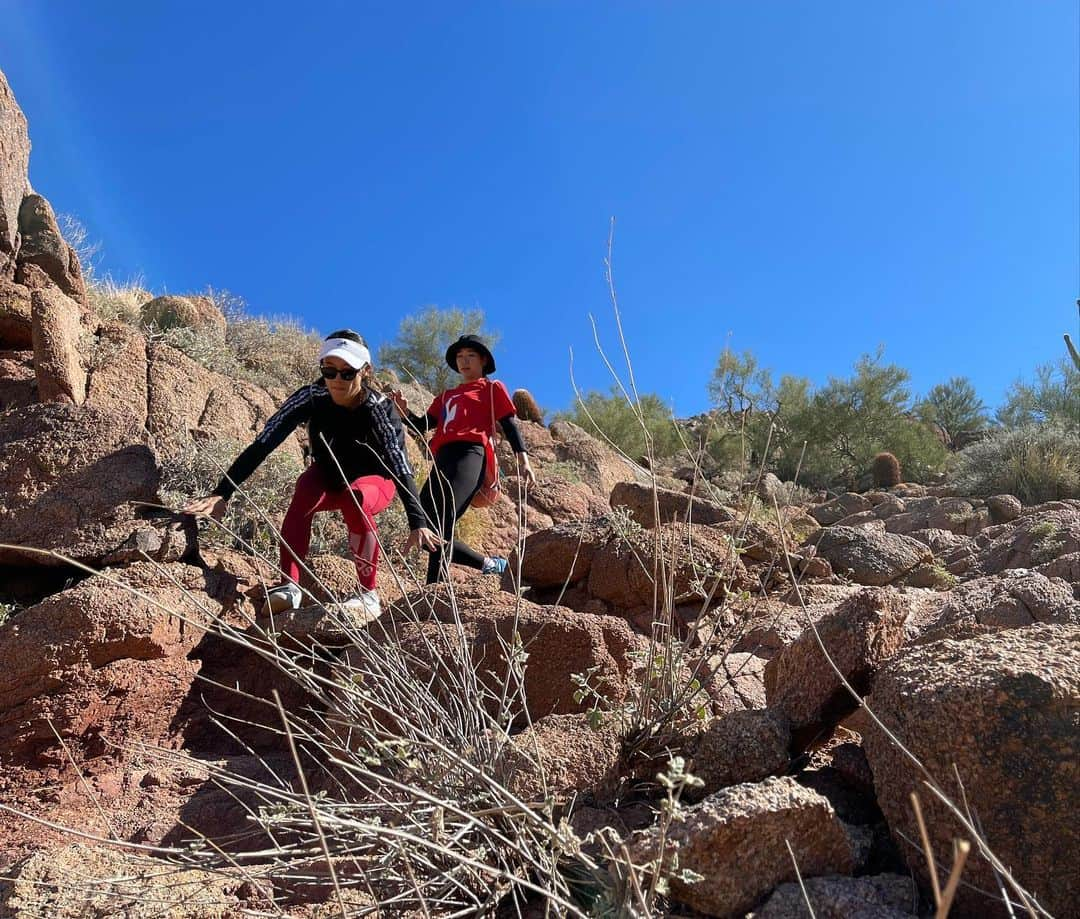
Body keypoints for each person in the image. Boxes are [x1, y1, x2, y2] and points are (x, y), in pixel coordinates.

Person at [183, 330, 441, 616]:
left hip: (374, 481)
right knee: (305, 488)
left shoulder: (379, 408)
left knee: (354, 498)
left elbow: (399, 461)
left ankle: (369, 596)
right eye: (329, 371)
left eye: (347, 372)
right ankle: (289, 587)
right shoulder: (311, 397)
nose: (337, 381)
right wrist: (223, 493)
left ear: (365, 371)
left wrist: (417, 520)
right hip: (329, 476)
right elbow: (264, 443)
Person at [391, 334, 537, 584]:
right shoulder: (447, 396)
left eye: (470, 356)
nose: (464, 361)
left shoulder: (492, 388)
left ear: (483, 360)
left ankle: (435, 588)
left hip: (471, 454)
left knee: (444, 515)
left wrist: (523, 460)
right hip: (443, 458)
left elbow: (509, 425)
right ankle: (489, 564)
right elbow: (423, 425)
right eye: (460, 357)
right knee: (423, 525)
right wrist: (403, 413)